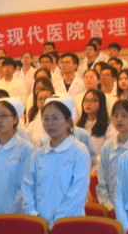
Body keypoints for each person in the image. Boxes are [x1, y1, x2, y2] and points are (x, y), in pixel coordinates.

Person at [22, 96, 92, 226]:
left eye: (55, 118)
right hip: (39, 223)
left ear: (69, 122)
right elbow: (27, 187)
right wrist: (34, 215)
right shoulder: (38, 155)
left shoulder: (79, 153)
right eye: (46, 119)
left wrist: (55, 222)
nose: (50, 123)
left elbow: (77, 194)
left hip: (68, 224)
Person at [96, 99, 128, 211]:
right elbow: (102, 184)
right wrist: (109, 208)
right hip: (112, 208)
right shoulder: (107, 148)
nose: (119, 119)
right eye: (115, 115)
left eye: (124, 116)